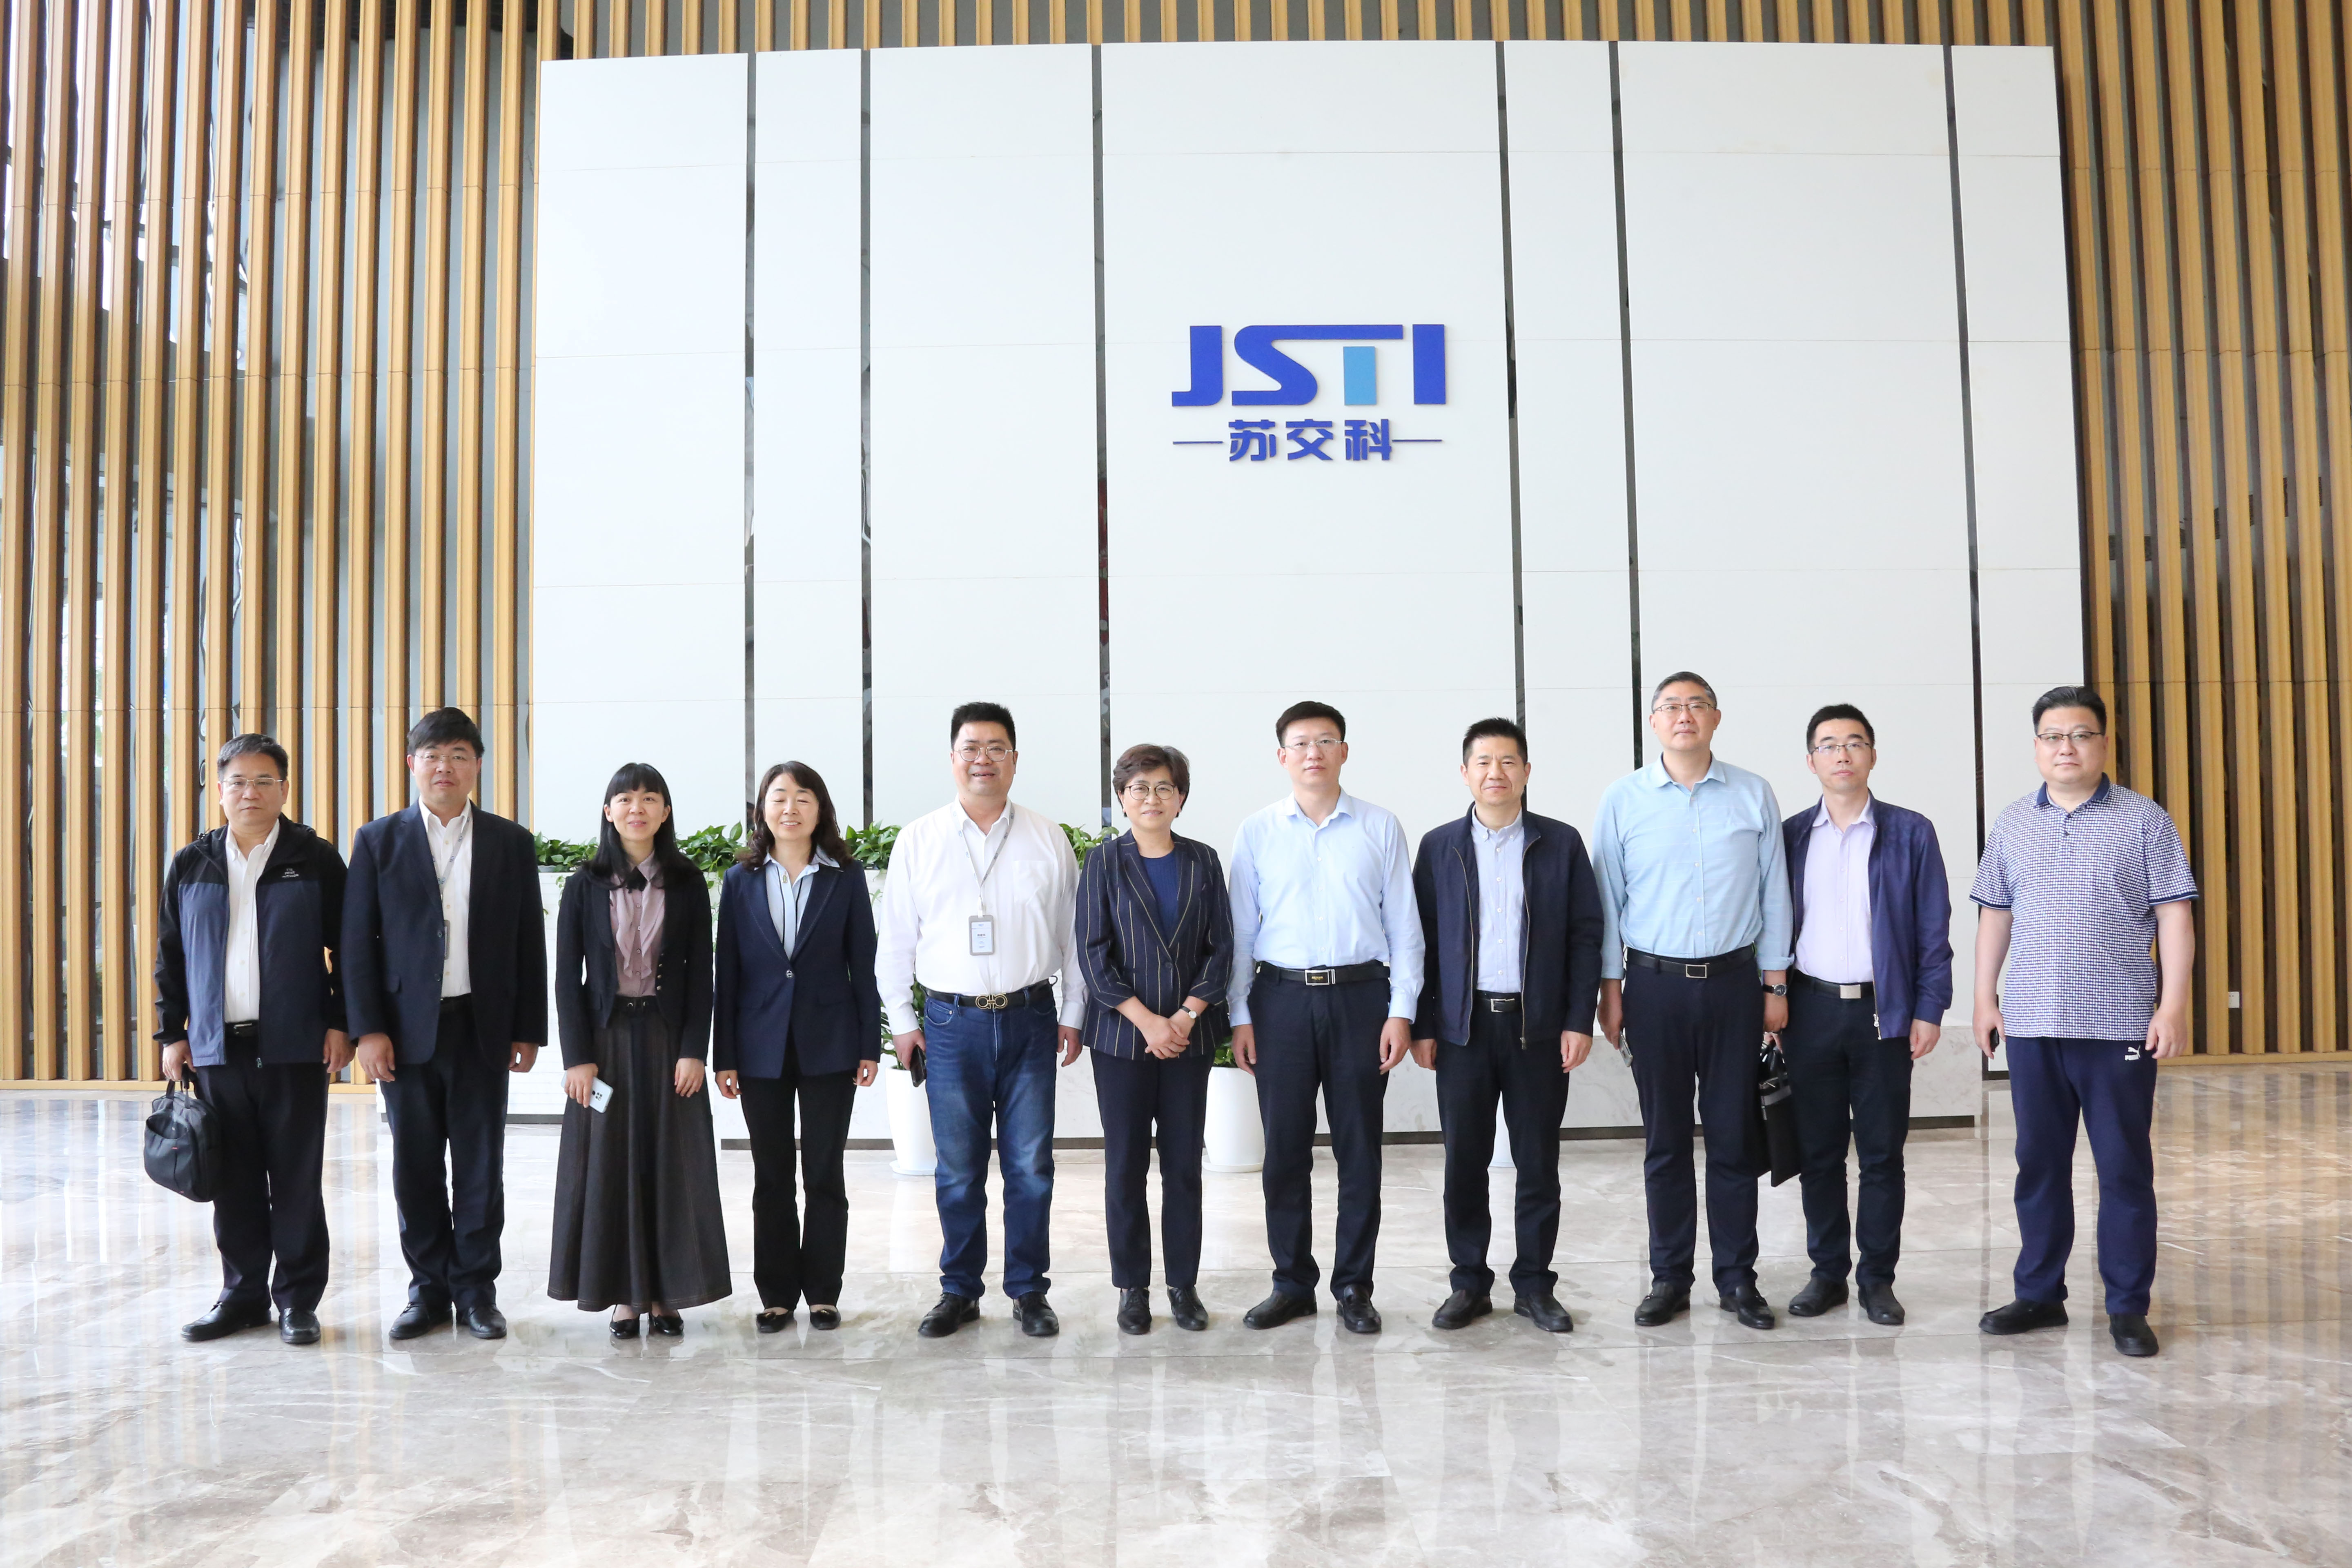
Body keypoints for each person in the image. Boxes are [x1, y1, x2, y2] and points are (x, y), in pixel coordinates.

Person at [1971, 686, 2195, 1359]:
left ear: (2103, 742)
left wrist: (2172, 1005)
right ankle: (2040, 1294)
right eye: (2052, 736)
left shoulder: (2145, 820)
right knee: (2038, 1165)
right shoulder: (2013, 822)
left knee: (2123, 1169)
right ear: (2037, 746)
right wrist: (1984, 999)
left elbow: (2175, 916)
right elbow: (1995, 917)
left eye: (2080, 734)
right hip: (2033, 1023)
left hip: (2120, 1023)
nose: (2065, 747)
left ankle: (2127, 1307)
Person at [878, 702, 1087, 1339]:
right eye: (971, 748)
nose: (983, 760)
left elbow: (1074, 938)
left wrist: (1074, 1012)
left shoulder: (1048, 838)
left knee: (1031, 1167)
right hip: (949, 1024)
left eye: (997, 749)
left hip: (1030, 1017)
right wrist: (903, 1020)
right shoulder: (919, 839)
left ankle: (1028, 1291)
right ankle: (959, 1291)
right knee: (958, 1170)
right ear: (953, 759)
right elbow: (895, 940)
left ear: (1015, 761)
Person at [1592, 672, 1792, 1331]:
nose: (1685, 716)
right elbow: (1608, 903)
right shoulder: (1623, 799)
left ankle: (1737, 1279)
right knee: (1667, 1141)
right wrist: (1611, 991)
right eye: (1671, 707)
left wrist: (1774, 984)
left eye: (1697, 705)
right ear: (1654, 721)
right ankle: (1670, 1278)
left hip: (1736, 985)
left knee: (1734, 1138)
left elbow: (1774, 893)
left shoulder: (1752, 793)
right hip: (1653, 988)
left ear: (1716, 718)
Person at [343, 708, 548, 1341]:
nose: (445, 767)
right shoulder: (378, 840)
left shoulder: (510, 842)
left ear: (477, 766)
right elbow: (357, 943)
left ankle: (476, 1293)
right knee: (416, 1167)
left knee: (481, 1166)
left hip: (482, 1027)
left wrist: (528, 1028)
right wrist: (368, 1029)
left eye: (459, 755)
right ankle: (427, 1292)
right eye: (433, 756)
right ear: (413, 764)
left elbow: (528, 940)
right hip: (405, 1034)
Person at [1227, 700, 1424, 1334]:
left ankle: (1354, 1287)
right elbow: (1240, 933)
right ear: (1282, 756)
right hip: (1279, 1001)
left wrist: (1401, 1012)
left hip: (1361, 1000)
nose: (1313, 753)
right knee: (1285, 1152)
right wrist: (1240, 1015)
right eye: (1301, 743)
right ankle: (1291, 1283)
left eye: (1326, 741)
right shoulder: (1257, 831)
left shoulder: (1380, 826)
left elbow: (1406, 929)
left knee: (1359, 1151)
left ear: (1344, 752)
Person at [154, 735, 351, 1345]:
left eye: (265, 781)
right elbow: (170, 956)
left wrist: (341, 1022)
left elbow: (350, 949)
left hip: (296, 1048)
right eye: (238, 782)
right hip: (216, 1050)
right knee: (233, 1180)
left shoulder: (314, 859)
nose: (251, 793)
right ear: (220, 791)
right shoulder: (193, 862)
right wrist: (171, 1032)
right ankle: (241, 1297)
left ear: (284, 789)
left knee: (296, 1179)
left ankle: (297, 1301)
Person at [1410, 717, 1603, 1335]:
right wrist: (1424, 1024)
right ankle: (1468, 1283)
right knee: (1463, 1163)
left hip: (1537, 1029)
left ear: (1526, 771)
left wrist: (1579, 1019)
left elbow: (1585, 936)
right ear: (1465, 773)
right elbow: (1420, 941)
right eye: (1484, 762)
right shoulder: (1439, 847)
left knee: (1538, 1163)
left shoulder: (1560, 843)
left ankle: (1535, 1286)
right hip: (1463, 1030)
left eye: (1508, 761)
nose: (1496, 773)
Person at [1777, 704, 1953, 1327]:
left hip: (1885, 1012)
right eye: (1829, 745)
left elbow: (1934, 929)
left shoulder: (1910, 832)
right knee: (1819, 1152)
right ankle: (1827, 1273)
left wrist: (1930, 1007)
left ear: (1873, 755)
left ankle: (1878, 1278)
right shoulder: (1790, 836)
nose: (1842, 754)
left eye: (1854, 743)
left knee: (1881, 1154)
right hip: (1810, 1010)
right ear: (1811, 762)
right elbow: (1768, 923)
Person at [548, 762, 731, 1337]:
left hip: (667, 1038)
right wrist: (577, 1057)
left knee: (673, 1162)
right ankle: (624, 1298)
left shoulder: (688, 882)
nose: (637, 808)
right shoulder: (583, 884)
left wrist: (694, 1050)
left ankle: (665, 1294)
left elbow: (701, 975)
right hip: (604, 1042)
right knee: (608, 1164)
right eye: (625, 798)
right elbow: (567, 978)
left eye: (650, 798)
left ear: (665, 812)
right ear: (609, 812)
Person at [714, 761, 882, 1332]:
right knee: (771, 1176)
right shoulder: (739, 880)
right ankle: (777, 1294)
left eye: (803, 798)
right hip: (758, 1047)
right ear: (763, 809)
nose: (790, 808)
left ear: (820, 810)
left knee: (824, 1173)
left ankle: (824, 1292)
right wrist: (725, 1055)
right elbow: (727, 974)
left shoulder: (846, 877)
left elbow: (863, 965)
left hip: (830, 1044)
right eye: (779, 797)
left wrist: (869, 1045)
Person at [1075, 743, 1234, 1336]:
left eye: (1164, 787)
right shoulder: (1102, 862)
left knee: (1184, 1166)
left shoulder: (1203, 860)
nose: (1151, 798)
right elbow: (1093, 952)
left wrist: (1186, 1016)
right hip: (1123, 1040)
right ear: (1122, 798)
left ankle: (1183, 1285)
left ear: (1181, 798)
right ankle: (1133, 1288)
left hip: (1189, 1039)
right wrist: (1148, 1021)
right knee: (1125, 1166)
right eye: (1139, 788)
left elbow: (1222, 948)